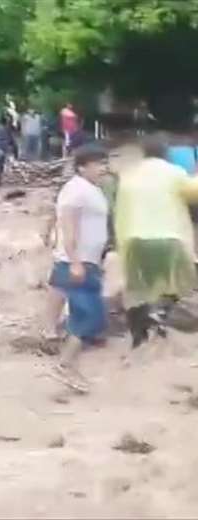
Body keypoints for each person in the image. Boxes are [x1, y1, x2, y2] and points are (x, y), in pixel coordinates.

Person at [116, 135, 198, 348]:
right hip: (169, 239)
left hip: (135, 240)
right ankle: (160, 320)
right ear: (166, 153)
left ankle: (139, 336)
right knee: (173, 285)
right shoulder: (173, 172)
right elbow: (194, 193)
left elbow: (120, 213)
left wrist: (121, 245)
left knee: (139, 290)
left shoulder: (128, 175)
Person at [48, 144, 110, 391]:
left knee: (86, 316)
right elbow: (68, 226)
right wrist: (74, 261)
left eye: (104, 163)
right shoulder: (75, 190)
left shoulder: (92, 189)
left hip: (89, 261)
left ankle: (69, 367)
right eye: (98, 164)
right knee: (90, 315)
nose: (103, 168)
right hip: (78, 262)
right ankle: (65, 365)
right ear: (82, 166)